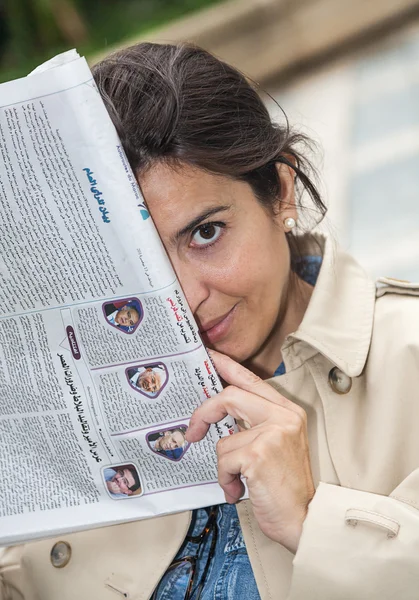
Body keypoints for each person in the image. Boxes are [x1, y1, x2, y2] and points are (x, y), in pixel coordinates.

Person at [1, 42, 418, 600]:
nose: (184, 300)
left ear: (281, 191)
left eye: (205, 233)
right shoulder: (68, 409)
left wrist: (311, 519)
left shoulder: (406, 360)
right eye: (140, 264)